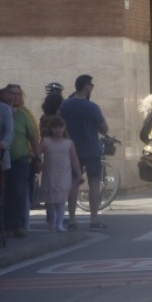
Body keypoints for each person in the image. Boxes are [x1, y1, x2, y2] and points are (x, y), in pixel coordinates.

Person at [59, 74, 110, 230]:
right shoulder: (92, 107)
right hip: (92, 149)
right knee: (94, 183)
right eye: (91, 86)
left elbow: (59, 125)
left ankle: (72, 219)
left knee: (73, 184)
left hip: (72, 149)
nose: (92, 89)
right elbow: (104, 128)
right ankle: (93, 219)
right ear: (86, 87)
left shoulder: (65, 105)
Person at [1, 84, 40, 237]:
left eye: (18, 94)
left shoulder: (23, 115)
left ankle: (18, 225)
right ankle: (4, 224)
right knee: (4, 193)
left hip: (21, 159)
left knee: (19, 192)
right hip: (1, 160)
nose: (15, 97)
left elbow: (33, 136)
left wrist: (36, 157)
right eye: (12, 94)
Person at [40, 117, 83, 232]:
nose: (58, 130)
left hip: (64, 174)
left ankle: (59, 223)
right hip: (49, 174)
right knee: (49, 200)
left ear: (64, 128)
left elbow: (74, 159)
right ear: (51, 129)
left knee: (61, 200)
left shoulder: (68, 143)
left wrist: (79, 174)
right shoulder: (45, 141)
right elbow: (37, 153)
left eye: (61, 127)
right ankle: (52, 219)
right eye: (55, 127)